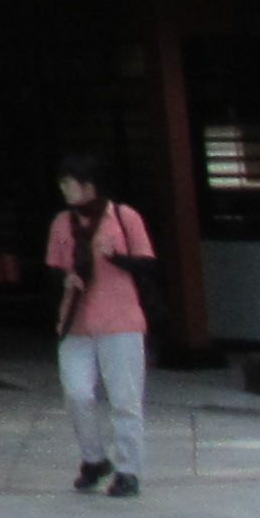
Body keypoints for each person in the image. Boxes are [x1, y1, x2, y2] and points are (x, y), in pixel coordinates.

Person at [48, 155, 157, 499]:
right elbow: (51, 269)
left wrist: (115, 258)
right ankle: (93, 458)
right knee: (77, 394)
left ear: (88, 185)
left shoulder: (124, 217)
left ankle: (129, 469)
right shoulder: (62, 223)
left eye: (70, 182)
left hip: (120, 320)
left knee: (125, 399)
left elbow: (148, 265)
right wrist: (66, 280)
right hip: (76, 321)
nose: (64, 188)